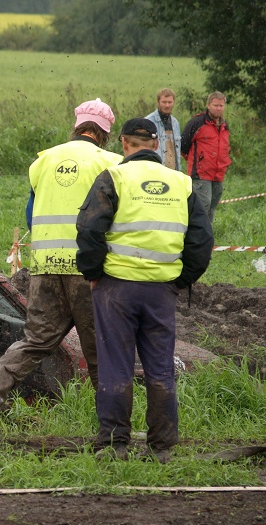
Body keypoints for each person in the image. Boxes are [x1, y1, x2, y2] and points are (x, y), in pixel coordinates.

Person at [0, 98, 123, 432]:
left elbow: (31, 215)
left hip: (44, 267)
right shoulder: (112, 163)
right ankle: (112, 428)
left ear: (77, 126)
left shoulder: (44, 161)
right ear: (105, 133)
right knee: (100, 350)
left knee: (35, 341)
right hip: (88, 272)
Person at [76, 118, 213, 463]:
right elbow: (202, 240)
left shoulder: (114, 177)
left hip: (115, 288)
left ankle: (114, 445)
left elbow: (90, 229)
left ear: (124, 143)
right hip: (161, 291)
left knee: (115, 366)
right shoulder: (181, 183)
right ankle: (162, 447)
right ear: (156, 145)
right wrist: (181, 279)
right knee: (161, 367)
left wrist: (94, 273)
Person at [181, 92, 231, 223]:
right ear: (208, 105)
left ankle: (207, 233)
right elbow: (183, 145)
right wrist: (198, 161)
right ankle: (196, 233)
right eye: (215, 105)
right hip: (200, 173)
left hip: (218, 174)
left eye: (221, 106)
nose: (218, 108)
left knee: (212, 207)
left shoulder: (224, 125)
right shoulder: (197, 122)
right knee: (202, 206)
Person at [145, 88, 182, 171]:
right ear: (158, 102)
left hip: (173, 171)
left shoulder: (175, 123)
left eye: (170, 102)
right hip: (155, 170)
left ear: (174, 103)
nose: (167, 105)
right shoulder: (148, 121)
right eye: (164, 102)